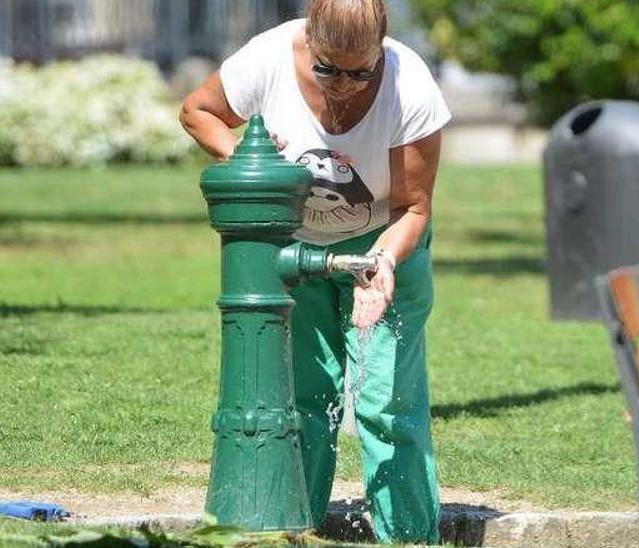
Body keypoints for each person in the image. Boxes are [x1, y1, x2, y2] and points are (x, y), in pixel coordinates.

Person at [179, 0, 449, 542]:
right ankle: (294, 526)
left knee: (385, 403)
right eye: (328, 68)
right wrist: (247, 157)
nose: (345, 85)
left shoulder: (410, 88)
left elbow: (414, 208)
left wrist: (384, 262)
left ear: (382, 50)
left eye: (361, 71)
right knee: (304, 394)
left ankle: (409, 536)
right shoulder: (268, 60)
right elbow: (196, 111)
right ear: (309, 39)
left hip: (384, 243)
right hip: (295, 247)